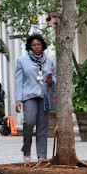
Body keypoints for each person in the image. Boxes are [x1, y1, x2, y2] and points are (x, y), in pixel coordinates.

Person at [14, 33, 54, 161]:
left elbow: (54, 77)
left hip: (44, 95)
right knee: (29, 122)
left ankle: (42, 155)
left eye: (38, 44)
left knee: (42, 126)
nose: (36, 47)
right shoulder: (22, 61)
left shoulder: (49, 61)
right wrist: (18, 100)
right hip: (29, 95)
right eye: (33, 45)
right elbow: (18, 81)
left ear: (42, 46)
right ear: (29, 47)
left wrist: (51, 79)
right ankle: (26, 147)